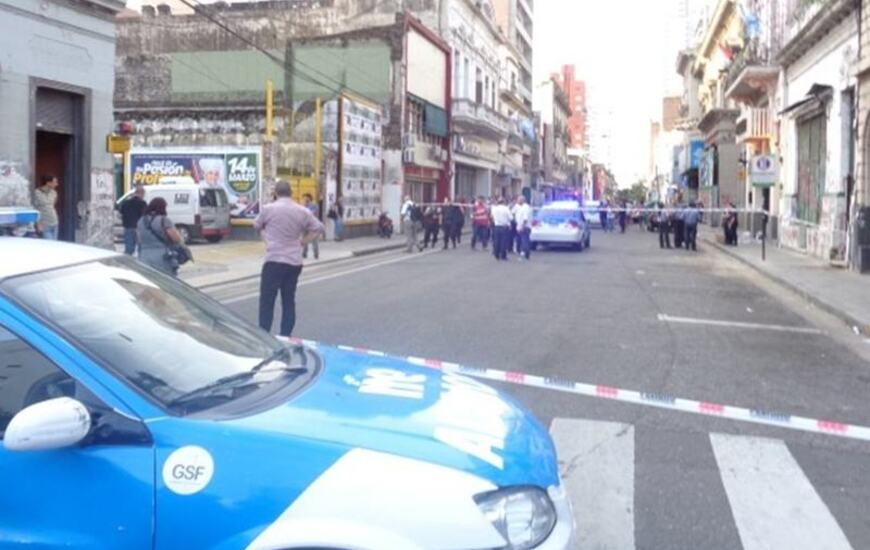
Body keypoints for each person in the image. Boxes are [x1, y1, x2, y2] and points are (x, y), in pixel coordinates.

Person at [255, 180, 324, 337]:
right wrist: (303, 241)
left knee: (267, 301)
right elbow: (318, 228)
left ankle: (264, 335)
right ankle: (285, 335)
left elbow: (257, 225)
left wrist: (267, 240)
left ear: (275, 193)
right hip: (293, 261)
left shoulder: (268, 209)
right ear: (291, 193)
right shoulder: (302, 211)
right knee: (288, 300)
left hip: (273, 259)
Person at [137, 197, 184, 276]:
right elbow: (175, 239)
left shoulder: (141, 221)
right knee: (165, 281)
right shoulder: (164, 220)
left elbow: (139, 240)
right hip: (163, 257)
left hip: (144, 256)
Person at [120, 184, 147, 255]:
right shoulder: (143, 203)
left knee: (129, 249)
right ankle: (140, 264)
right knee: (141, 249)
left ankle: (127, 263)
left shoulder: (125, 203)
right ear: (141, 193)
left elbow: (121, 213)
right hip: (139, 229)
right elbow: (145, 216)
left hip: (128, 227)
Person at [34, 175, 59, 240]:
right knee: (49, 245)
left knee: (55, 244)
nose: (56, 184)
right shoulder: (37, 193)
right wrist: (38, 223)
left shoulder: (54, 193)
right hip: (44, 224)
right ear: (48, 183)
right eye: (55, 182)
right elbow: (35, 209)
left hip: (54, 222)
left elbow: (52, 206)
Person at [302, 194, 320, 260]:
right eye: (304, 198)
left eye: (305, 198)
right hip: (305, 225)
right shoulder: (304, 206)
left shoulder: (314, 205)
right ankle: (304, 253)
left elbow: (312, 214)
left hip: (313, 226)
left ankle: (316, 254)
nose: (304, 199)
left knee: (314, 240)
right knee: (304, 239)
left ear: (309, 198)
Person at [514, 195, 532, 260]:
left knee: (524, 241)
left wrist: (522, 226)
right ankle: (526, 254)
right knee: (523, 241)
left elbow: (525, 219)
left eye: (518, 200)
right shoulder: (521, 207)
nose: (517, 201)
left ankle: (525, 253)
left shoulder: (525, 207)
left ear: (522, 200)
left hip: (525, 227)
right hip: (521, 226)